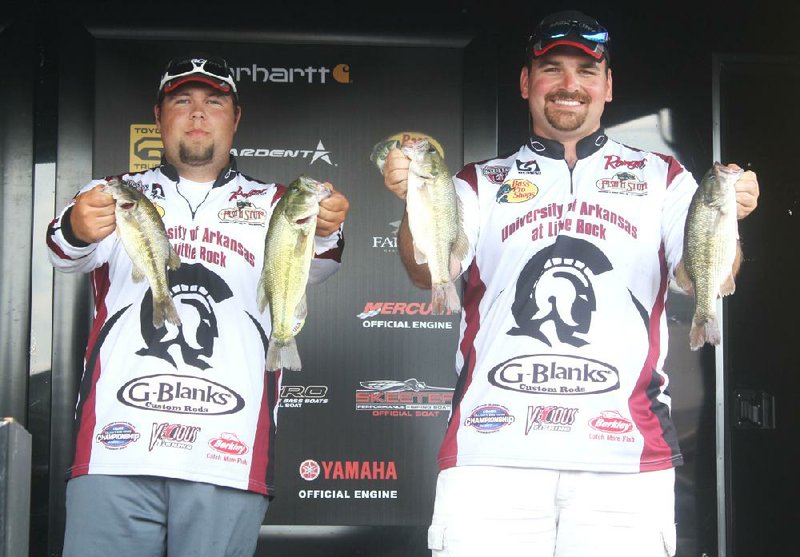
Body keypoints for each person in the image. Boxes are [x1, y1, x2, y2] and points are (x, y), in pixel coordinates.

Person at [381, 10, 759, 557]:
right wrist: (414, 197)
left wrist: (728, 219)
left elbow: (699, 276)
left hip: (625, 460)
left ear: (607, 86)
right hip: (491, 456)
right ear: (525, 83)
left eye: (586, 71)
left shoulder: (666, 178)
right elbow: (425, 269)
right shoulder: (476, 181)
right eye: (552, 69)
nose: (568, 85)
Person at [47, 55, 350, 557]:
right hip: (115, 451)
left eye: (214, 102)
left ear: (236, 117)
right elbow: (63, 253)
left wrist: (327, 225)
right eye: (181, 101)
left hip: (225, 453)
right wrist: (78, 226)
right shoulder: (115, 193)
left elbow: (322, 264)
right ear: (159, 115)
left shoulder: (279, 202)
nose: (197, 114)